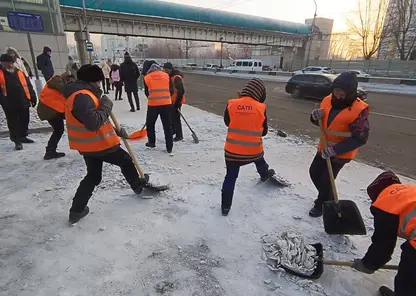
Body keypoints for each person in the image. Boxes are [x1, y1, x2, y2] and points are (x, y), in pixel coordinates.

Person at [63, 64, 144, 224]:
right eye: (98, 81)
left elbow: (95, 119)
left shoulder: (81, 95)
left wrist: (115, 130)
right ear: (91, 81)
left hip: (89, 146)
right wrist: (107, 105)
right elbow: (93, 123)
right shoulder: (82, 97)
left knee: (93, 176)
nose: (100, 84)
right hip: (100, 145)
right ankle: (138, 187)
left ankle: (76, 211)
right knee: (126, 161)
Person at [308, 72, 370, 217]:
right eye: (336, 93)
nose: (338, 96)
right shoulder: (327, 100)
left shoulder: (358, 111)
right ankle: (328, 198)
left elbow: (360, 138)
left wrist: (335, 150)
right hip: (323, 148)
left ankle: (321, 204)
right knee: (314, 173)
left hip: (341, 153)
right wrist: (314, 116)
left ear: (350, 93)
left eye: (341, 94)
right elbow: (322, 124)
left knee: (326, 180)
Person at [351, 171, 416, 296]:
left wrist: (368, 264)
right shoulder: (408, 192)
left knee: (407, 279)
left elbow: (383, 245)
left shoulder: (386, 203)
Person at [221, 78, 275, 216]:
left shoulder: (231, 104)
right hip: (253, 150)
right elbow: (264, 132)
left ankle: (225, 207)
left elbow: (227, 122)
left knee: (231, 176)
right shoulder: (261, 107)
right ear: (260, 93)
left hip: (232, 151)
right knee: (259, 159)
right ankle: (264, 175)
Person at [0, 54, 37, 150]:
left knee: (25, 120)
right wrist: (3, 102)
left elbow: (28, 85)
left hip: (23, 100)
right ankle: (17, 140)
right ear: (2, 63)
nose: (10, 64)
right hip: (9, 103)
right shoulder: (1, 73)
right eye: (8, 62)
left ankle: (23, 136)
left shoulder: (19, 72)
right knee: (13, 123)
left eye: (12, 62)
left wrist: (33, 97)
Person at [37, 72, 75, 159]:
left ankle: (50, 151)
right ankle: (50, 151)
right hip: (50, 110)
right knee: (59, 129)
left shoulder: (59, 81)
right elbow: (66, 90)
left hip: (53, 110)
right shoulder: (57, 80)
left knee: (59, 129)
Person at [143, 60, 174, 153]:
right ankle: (169, 147)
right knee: (167, 126)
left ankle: (151, 142)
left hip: (153, 105)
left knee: (150, 123)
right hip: (166, 104)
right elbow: (171, 90)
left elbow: (146, 92)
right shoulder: (166, 75)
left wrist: (153, 97)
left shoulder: (147, 77)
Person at [163, 62, 185, 142]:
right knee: (172, 117)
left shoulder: (176, 77)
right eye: (164, 69)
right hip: (172, 100)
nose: (165, 71)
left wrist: (177, 103)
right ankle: (174, 131)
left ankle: (179, 135)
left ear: (170, 69)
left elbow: (181, 91)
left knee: (176, 119)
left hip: (177, 101)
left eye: (167, 69)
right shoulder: (171, 77)